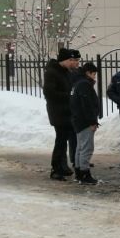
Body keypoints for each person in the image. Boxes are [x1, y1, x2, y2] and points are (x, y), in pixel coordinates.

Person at [43, 47, 81, 180]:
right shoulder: (52, 73)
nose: (74, 63)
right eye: (72, 60)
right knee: (60, 140)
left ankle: (63, 166)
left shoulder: (66, 72)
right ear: (65, 60)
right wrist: (70, 96)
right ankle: (56, 168)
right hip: (58, 112)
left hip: (67, 111)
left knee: (63, 140)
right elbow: (49, 93)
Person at [70, 62, 100, 185]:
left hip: (78, 120)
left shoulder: (78, 83)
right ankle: (84, 172)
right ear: (88, 73)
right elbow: (86, 105)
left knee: (80, 147)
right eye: (94, 74)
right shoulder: (84, 85)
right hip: (85, 121)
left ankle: (79, 171)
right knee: (87, 148)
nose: (95, 77)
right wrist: (92, 121)